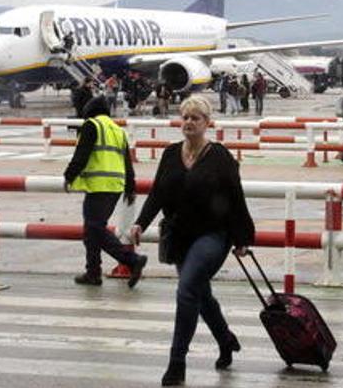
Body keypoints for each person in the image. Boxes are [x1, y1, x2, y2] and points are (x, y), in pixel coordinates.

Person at [130, 95, 254, 386]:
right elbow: (158, 193)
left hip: (213, 235)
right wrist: (140, 222)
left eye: (195, 118)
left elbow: (236, 198)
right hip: (179, 236)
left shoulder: (221, 157)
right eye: (185, 117)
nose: (188, 122)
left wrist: (243, 238)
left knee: (186, 291)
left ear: (207, 123)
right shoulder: (171, 154)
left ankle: (177, 363)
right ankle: (225, 340)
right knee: (201, 295)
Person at [64, 95, 148, 287]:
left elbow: (82, 154)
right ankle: (93, 273)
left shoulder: (92, 125)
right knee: (91, 231)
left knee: (94, 229)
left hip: (98, 185)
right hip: (115, 186)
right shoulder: (117, 130)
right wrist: (130, 186)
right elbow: (127, 161)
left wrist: (69, 175)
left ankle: (132, 260)